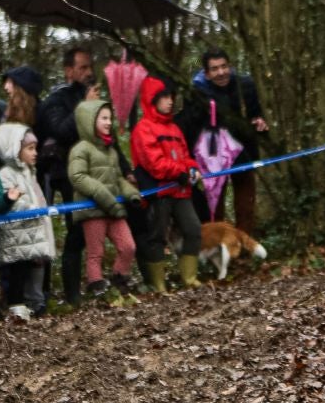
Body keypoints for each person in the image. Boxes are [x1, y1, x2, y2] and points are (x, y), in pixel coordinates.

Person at [177, 49, 268, 235]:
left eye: (224, 66)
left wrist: (259, 122)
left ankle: (244, 247)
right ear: (207, 73)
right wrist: (191, 160)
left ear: (230, 66)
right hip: (212, 158)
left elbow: (256, 114)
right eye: (215, 69)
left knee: (245, 205)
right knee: (214, 206)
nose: (221, 73)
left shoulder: (246, 86)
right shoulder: (197, 93)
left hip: (243, 152)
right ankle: (218, 248)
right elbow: (189, 127)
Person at [35, 47, 99, 307]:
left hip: (90, 170)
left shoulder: (91, 96)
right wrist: (84, 107)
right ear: (68, 70)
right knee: (57, 230)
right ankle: (49, 293)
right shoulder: (55, 100)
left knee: (82, 230)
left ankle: (75, 291)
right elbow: (60, 131)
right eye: (82, 67)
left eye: (89, 67)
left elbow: (105, 136)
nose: (88, 72)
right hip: (59, 173)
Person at [132, 77, 203, 292]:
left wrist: (192, 168)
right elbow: (154, 163)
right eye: (164, 97)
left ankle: (189, 278)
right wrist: (179, 171)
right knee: (157, 236)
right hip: (159, 191)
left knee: (193, 229)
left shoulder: (174, 128)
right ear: (152, 99)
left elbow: (185, 155)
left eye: (171, 96)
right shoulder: (143, 129)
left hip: (181, 190)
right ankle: (158, 284)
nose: (170, 101)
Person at [69, 100, 140, 302]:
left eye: (110, 118)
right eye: (104, 118)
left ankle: (119, 278)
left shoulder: (111, 150)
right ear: (89, 121)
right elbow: (78, 177)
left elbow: (118, 178)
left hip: (113, 209)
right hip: (92, 210)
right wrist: (103, 195)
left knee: (128, 246)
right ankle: (96, 286)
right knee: (95, 252)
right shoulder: (81, 149)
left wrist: (131, 193)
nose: (109, 122)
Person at [0, 124, 55, 318]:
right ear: (14, 150)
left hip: (33, 232)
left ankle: (36, 303)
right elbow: (8, 204)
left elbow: (38, 197)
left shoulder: (30, 172)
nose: (35, 153)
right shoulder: (6, 175)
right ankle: (16, 305)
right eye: (30, 148)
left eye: (35, 148)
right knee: (17, 272)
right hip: (16, 235)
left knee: (37, 266)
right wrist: (24, 205)